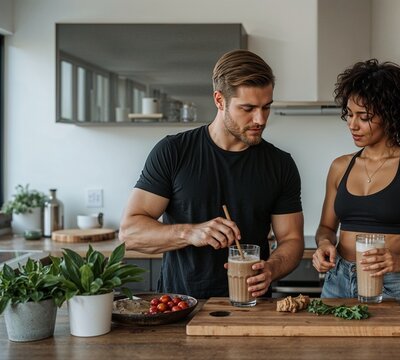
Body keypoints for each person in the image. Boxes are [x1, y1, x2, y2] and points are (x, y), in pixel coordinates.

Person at [119, 50, 304, 299]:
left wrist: (272, 268)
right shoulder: (173, 151)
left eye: (266, 107)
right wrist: (190, 233)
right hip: (180, 307)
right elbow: (130, 233)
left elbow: (292, 240)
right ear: (219, 100)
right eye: (247, 108)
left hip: (251, 307)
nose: (260, 119)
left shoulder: (280, 164)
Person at [312, 59, 400, 300]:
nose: (352, 124)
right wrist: (324, 244)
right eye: (349, 114)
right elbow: (326, 228)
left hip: (391, 284)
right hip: (337, 281)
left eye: (364, 117)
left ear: (391, 116)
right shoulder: (340, 166)